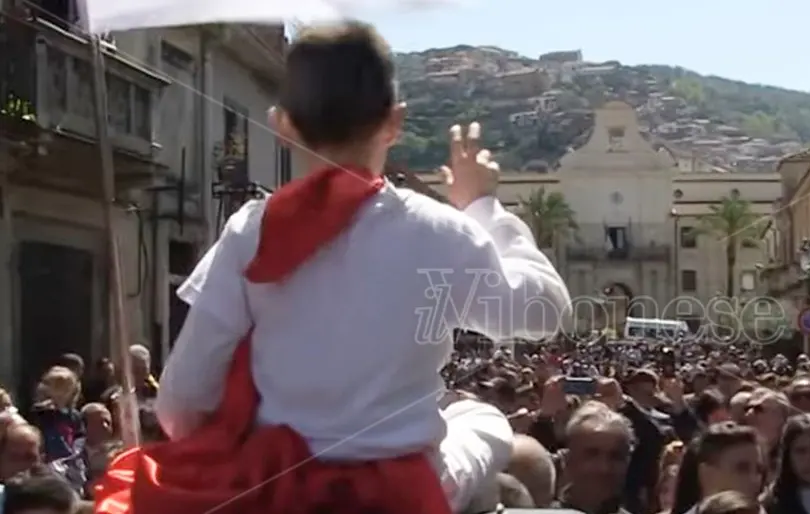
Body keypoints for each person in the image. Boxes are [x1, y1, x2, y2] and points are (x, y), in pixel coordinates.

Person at [94, 21, 570, 514]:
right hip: (396, 491)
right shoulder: (441, 230)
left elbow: (181, 403)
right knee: (483, 419)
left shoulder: (248, 232)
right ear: (395, 122)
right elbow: (544, 312)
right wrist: (482, 206)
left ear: (281, 124)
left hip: (275, 483)